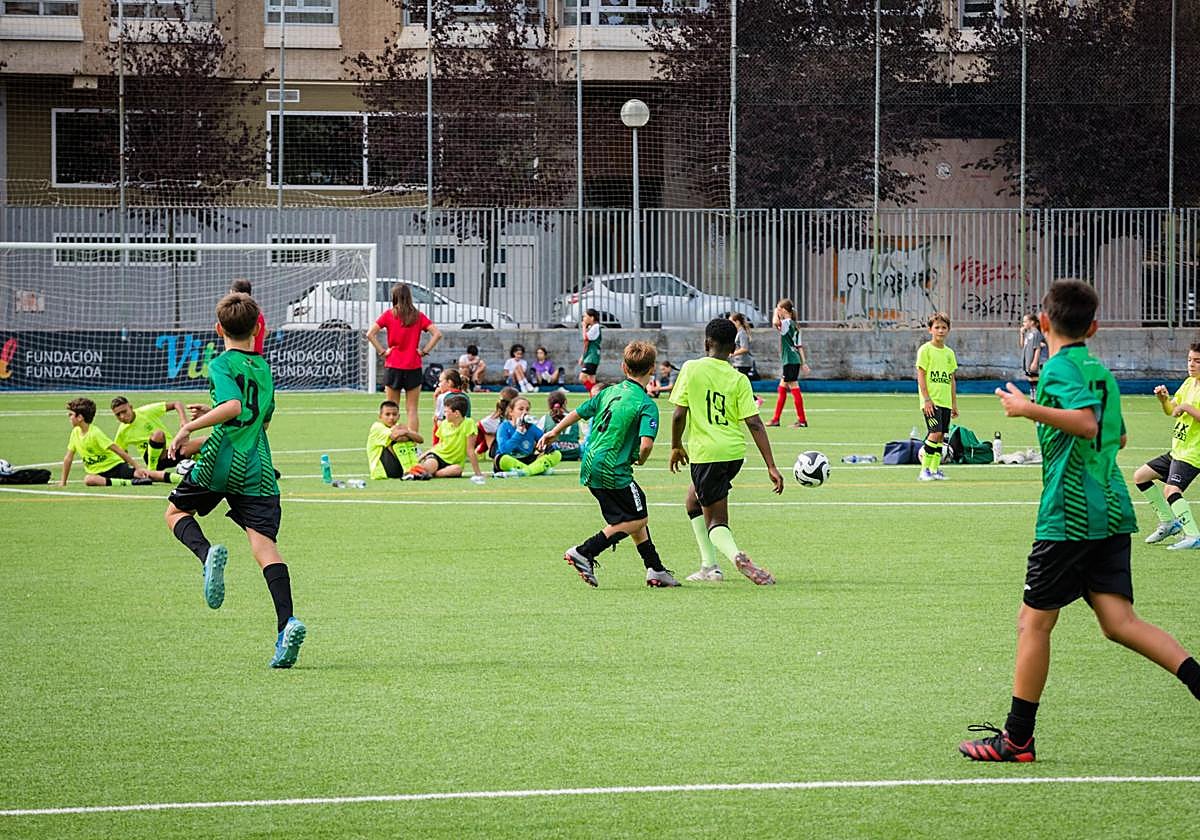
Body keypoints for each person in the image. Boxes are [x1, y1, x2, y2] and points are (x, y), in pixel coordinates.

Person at [959, 279, 1200, 763]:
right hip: (1112, 510)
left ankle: (1017, 739)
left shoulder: (1059, 369)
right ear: (1094, 326)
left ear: (1043, 322)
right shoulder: (1101, 372)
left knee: (1032, 623)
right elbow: (1121, 438)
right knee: (1119, 622)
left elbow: (1088, 423)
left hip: (1071, 516)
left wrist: (1028, 408)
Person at [163, 292, 305, 669]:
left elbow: (236, 408)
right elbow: (257, 420)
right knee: (264, 547)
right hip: (257, 466)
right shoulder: (264, 368)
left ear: (217, 329)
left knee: (176, 513)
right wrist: (215, 414)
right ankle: (285, 624)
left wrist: (188, 428)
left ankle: (206, 553)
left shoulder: (221, 364)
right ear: (259, 328)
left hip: (220, 461)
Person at [538, 340, 679, 588]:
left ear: (624, 367)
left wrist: (555, 432)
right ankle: (585, 551)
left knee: (630, 516)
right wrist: (641, 459)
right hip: (614, 469)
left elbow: (580, 412)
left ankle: (655, 569)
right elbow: (646, 445)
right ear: (652, 368)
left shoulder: (608, 392)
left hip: (591, 464)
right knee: (639, 518)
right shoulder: (646, 404)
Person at [669, 318, 784, 585]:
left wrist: (676, 446)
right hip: (733, 453)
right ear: (733, 349)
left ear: (706, 342)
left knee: (716, 522)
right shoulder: (738, 378)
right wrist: (771, 465)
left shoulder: (691, 369)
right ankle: (709, 567)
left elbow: (678, 415)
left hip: (707, 454)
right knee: (692, 501)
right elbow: (754, 423)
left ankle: (736, 558)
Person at [1133, 343, 1200, 549]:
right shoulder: (1189, 383)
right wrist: (1163, 400)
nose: (1192, 364)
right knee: (1140, 476)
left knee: (1171, 490)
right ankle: (1169, 522)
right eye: (1190, 359)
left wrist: (1187, 407)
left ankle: (1193, 535)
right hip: (1178, 449)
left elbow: (1184, 409)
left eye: (1197, 361)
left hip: (1194, 452)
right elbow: (1172, 411)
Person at [366, 282, 443, 433]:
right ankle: (413, 444)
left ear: (394, 297)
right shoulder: (418, 316)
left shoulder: (389, 314)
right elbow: (437, 334)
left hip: (393, 365)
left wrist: (382, 351)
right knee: (412, 409)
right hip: (413, 365)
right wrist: (424, 350)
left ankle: (391, 440)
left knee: (391, 408)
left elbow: (370, 334)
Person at [59, 397, 180, 487]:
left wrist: (137, 467)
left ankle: (181, 479)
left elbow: (118, 450)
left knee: (148, 474)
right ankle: (132, 483)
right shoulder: (75, 433)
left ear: (80, 417)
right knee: (89, 480)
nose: (69, 417)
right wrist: (63, 482)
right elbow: (68, 458)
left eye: (71, 415)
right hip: (98, 473)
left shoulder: (95, 433)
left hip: (115, 467)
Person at [915, 311, 958, 481]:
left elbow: (951, 379)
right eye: (937, 327)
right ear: (930, 330)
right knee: (934, 433)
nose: (940, 331)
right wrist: (926, 399)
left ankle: (934, 469)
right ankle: (924, 470)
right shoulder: (925, 350)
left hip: (945, 401)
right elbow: (921, 374)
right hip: (931, 401)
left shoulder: (949, 353)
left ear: (948, 330)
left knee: (941, 436)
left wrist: (954, 403)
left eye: (944, 327)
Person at [403, 394, 485, 482]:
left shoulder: (469, 424)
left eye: (446, 412)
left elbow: (470, 450)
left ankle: (431, 474)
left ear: (456, 413)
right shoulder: (444, 424)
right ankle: (418, 473)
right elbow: (439, 445)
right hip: (437, 456)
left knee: (457, 470)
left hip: (454, 463)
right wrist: (422, 456)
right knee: (429, 466)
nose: (444, 414)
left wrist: (478, 473)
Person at [111, 396, 196, 471]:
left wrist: (183, 420)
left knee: (201, 443)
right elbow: (121, 453)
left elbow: (176, 404)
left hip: (171, 451)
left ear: (131, 407)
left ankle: (197, 468)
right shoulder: (122, 432)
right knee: (158, 434)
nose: (122, 416)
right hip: (151, 458)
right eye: (118, 415)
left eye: (124, 411)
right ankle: (152, 469)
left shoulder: (146, 411)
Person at [493, 395, 562, 477]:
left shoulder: (531, 427)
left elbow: (545, 440)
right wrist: (519, 433)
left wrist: (546, 446)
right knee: (500, 459)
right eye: (521, 409)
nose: (525, 412)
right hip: (510, 459)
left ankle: (525, 472)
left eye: (527, 409)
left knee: (556, 454)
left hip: (528, 459)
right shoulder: (504, 426)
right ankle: (535, 470)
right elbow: (504, 450)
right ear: (511, 412)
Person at [767, 298, 809, 428]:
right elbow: (799, 346)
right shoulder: (796, 325)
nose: (778, 312)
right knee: (782, 388)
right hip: (793, 359)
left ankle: (801, 420)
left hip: (790, 360)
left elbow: (775, 323)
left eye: (780, 309)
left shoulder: (786, 323)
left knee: (794, 388)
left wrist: (775, 313)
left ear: (784, 310)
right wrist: (803, 362)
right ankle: (776, 419)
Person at [368, 399, 423, 480]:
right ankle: (408, 471)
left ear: (399, 416)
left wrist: (407, 433)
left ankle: (414, 469)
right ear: (380, 416)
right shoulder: (377, 427)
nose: (391, 417)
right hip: (384, 470)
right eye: (387, 414)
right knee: (398, 441)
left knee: (410, 441)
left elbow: (420, 439)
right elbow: (395, 437)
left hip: (398, 468)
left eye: (394, 414)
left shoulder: (399, 427)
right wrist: (406, 433)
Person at [537, 391, 584, 461]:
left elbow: (538, 437)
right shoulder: (573, 417)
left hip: (554, 452)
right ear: (565, 402)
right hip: (573, 452)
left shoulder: (545, 418)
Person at [729, 312, 764, 407]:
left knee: (741, 383)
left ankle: (755, 399)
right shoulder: (738, 333)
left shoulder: (742, 333)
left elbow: (745, 348)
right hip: (738, 362)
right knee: (740, 382)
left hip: (743, 363)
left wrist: (733, 354)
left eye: (732, 322)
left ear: (737, 322)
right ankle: (752, 399)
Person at [431, 368, 470, 445]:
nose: (439, 384)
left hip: (448, 435)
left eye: (441, 381)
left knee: (437, 421)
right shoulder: (466, 397)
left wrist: (436, 398)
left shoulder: (443, 397)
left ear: (449, 382)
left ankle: (436, 447)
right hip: (463, 435)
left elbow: (438, 419)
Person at [476, 386, 519, 455]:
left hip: (501, 451)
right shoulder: (519, 417)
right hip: (517, 448)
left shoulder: (492, 419)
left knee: (486, 431)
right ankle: (479, 450)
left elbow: (479, 425)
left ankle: (479, 451)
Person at [230, 278, 267, 354]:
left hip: (245, 358)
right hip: (257, 357)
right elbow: (266, 331)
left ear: (234, 292)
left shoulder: (243, 313)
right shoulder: (258, 312)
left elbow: (250, 338)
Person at [1019, 312, 1047, 395]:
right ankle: (1033, 395)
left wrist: (1034, 362)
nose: (1023, 324)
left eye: (1025, 321)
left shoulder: (1036, 333)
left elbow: (1037, 348)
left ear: (1031, 322)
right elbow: (1023, 345)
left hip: (1034, 360)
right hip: (1028, 359)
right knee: (1031, 378)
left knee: (1036, 378)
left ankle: (1037, 395)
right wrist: (1021, 334)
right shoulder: (1028, 333)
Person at [578, 309, 602, 392]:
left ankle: (595, 393)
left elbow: (586, 338)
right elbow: (586, 343)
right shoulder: (592, 327)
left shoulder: (596, 327)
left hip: (593, 356)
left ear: (592, 318)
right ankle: (595, 395)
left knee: (582, 377)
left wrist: (584, 327)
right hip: (589, 355)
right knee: (591, 379)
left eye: (585, 316)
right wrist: (583, 356)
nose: (583, 318)